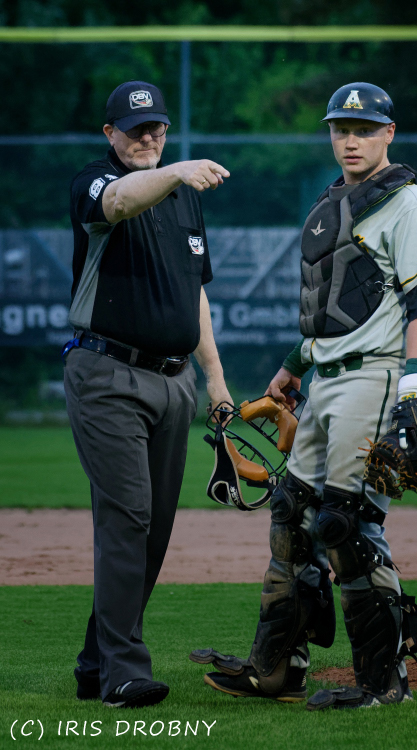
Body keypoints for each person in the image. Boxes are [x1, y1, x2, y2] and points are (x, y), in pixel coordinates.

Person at [196, 82, 417, 710]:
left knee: (346, 524)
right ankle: (278, 670)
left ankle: (384, 683)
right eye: (341, 129)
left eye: (365, 129)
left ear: (389, 133)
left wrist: (415, 379)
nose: (351, 140)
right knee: (292, 517)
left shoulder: (410, 206)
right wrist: (294, 363)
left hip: (375, 377)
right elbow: (334, 308)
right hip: (325, 378)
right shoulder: (333, 201)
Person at [63, 80, 232, 708]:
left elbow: (195, 294)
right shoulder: (94, 181)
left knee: (154, 528)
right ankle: (123, 674)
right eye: (136, 129)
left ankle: (95, 660)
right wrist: (177, 171)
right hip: (107, 374)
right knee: (128, 515)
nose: (149, 137)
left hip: (175, 380)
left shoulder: (184, 200)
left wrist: (215, 379)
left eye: (157, 127)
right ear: (110, 133)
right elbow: (116, 203)